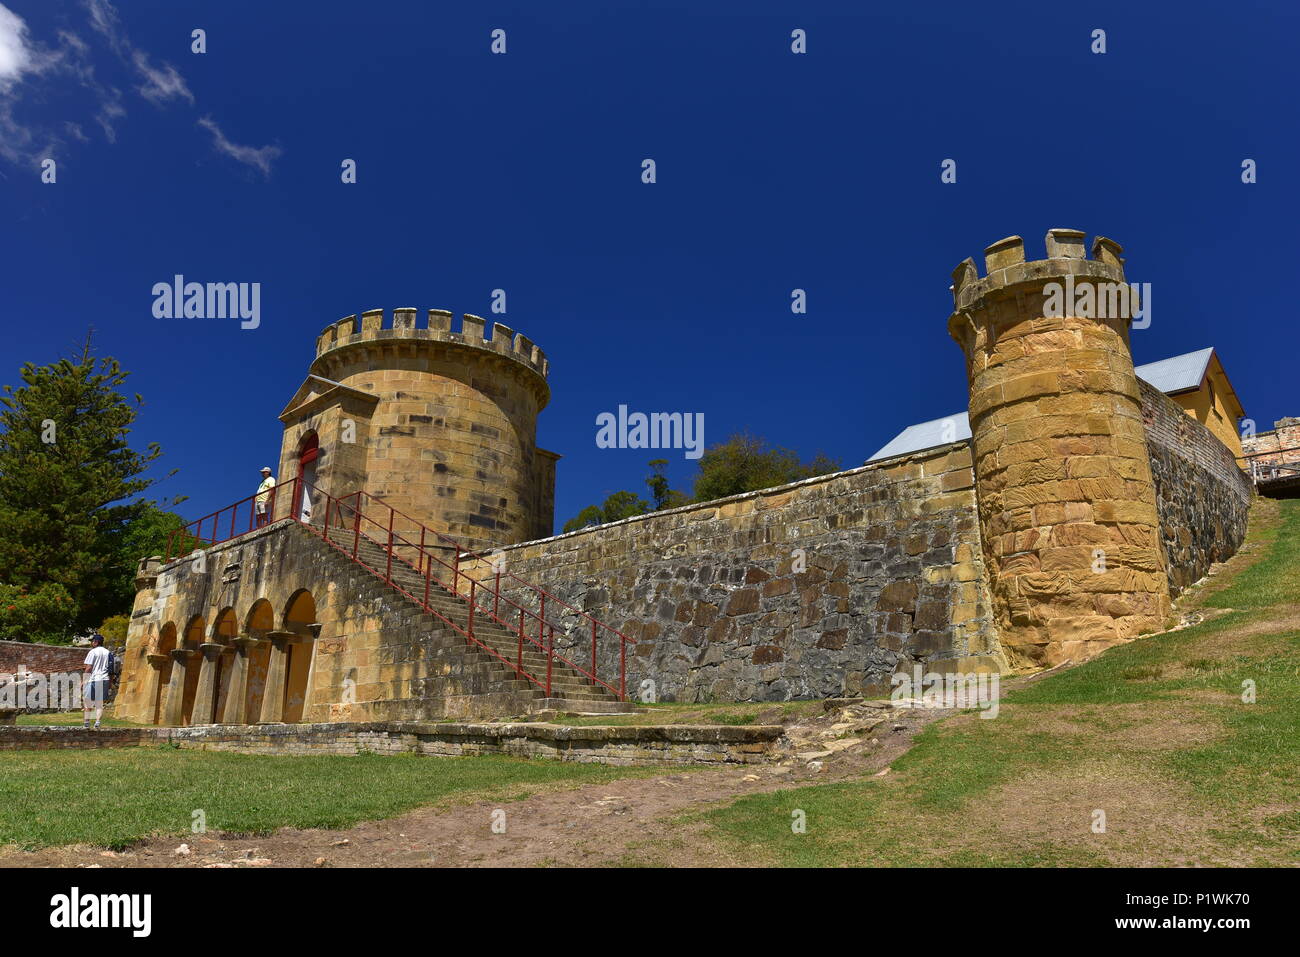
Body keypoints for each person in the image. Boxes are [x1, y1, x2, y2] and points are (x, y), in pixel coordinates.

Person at [82, 634, 110, 729]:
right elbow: (112, 668)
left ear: (96, 642)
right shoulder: (108, 652)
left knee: (88, 701)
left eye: (92, 641)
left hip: (94, 679)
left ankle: (86, 722)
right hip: (105, 678)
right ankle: (97, 722)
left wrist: (84, 680)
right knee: (99, 703)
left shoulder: (92, 652)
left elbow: (89, 668)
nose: (91, 643)